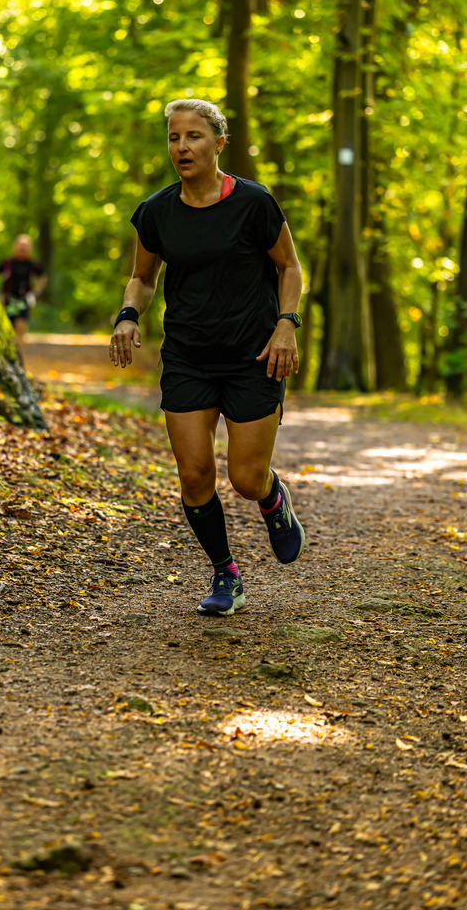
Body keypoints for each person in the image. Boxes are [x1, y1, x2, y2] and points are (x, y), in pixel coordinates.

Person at [109, 98, 305, 616]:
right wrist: (129, 315)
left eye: (193, 137)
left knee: (244, 477)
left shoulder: (254, 203)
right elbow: (144, 278)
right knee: (194, 475)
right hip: (189, 357)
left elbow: (289, 268)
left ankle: (272, 498)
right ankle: (226, 573)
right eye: (174, 138)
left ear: (219, 143)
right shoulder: (156, 213)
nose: (181, 147)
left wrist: (287, 325)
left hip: (254, 356)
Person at [0, 235, 48, 368]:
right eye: (20, 244)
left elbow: (42, 276)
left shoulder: (32, 264)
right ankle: (7, 356)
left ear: (30, 248)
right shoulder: (7, 263)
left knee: (20, 327)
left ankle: (18, 358)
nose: (22, 248)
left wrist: (37, 292)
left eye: (25, 245)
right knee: (8, 328)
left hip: (23, 300)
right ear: (15, 246)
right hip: (8, 300)